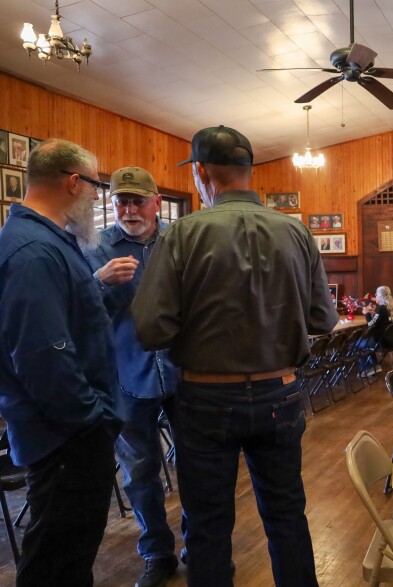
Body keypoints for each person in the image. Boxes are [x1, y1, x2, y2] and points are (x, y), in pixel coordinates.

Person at [131, 125, 338, 586]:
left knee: (207, 526)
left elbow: (149, 328)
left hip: (205, 398)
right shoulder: (297, 232)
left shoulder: (183, 233)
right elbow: (323, 320)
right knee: (287, 516)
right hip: (280, 393)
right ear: (248, 172)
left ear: (202, 173)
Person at [0, 139, 122, 586]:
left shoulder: (48, 241)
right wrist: (95, 421)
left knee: (69, 557)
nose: (96, 197)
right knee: (56, 563)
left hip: (70, 433)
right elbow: (43, 358)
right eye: (95, 186)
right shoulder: (32, 251)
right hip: (66, 438)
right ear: (74, 182)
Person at [84, 166, 181, 587]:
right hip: (126, 376)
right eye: (121, 200)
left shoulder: (180, 241)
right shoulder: (95, 246)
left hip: (184, 372)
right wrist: (97, 283)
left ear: (157, 201)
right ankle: (157, 553)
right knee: (140, 472)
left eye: (137, 200)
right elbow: (74, 309)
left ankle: (200, 542)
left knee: (197, 465)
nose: (128, 209)